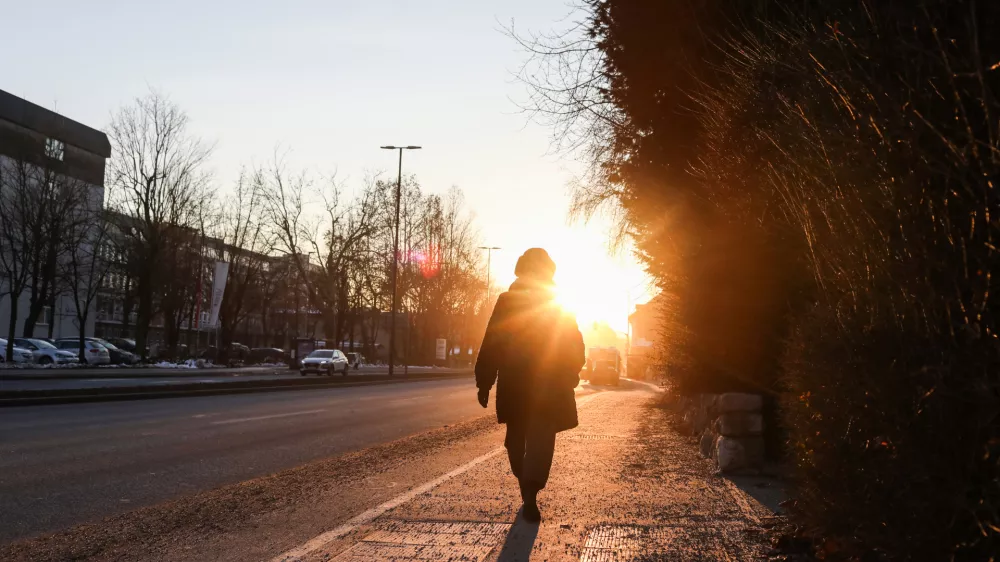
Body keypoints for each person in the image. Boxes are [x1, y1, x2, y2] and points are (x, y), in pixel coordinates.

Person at [475, 248, 585, 522]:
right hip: (517, 385)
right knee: (517, 442)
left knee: (540, 440)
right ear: (523, 272)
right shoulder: (508, 301)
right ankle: (528, 485)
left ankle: (530, 495)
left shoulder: (558, 303)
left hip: (547, 386)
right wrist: (484, 381)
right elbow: (493, 341)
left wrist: (571, 370)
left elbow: (573, 341)